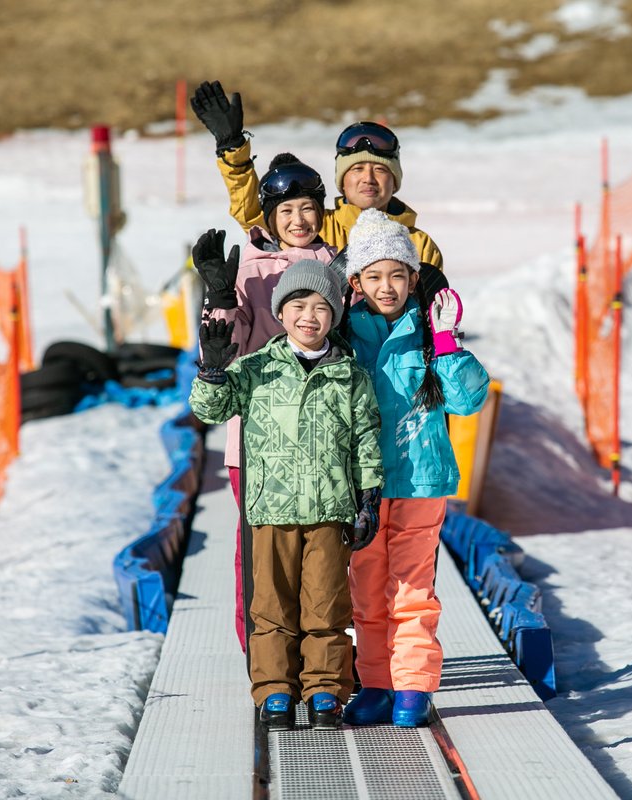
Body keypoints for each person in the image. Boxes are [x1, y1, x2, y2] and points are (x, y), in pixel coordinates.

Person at [189, 259, 384, 730]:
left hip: (329, 510)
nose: (309, 317)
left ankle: (323, 691)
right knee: (271, 606)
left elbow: (366, 438)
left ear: (335, 317)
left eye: (321, 308)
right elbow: (210, 410)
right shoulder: (256, 368)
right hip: (270, 509)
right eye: (298, 306)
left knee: (327, 606)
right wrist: (213, 374)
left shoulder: (350, 376)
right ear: (281, 312)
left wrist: (369, 496)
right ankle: (275, 689)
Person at [336, 209, 489, 727]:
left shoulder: (428, 332)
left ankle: (414, 686)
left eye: (397, 275)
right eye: (375, 275)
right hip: (365, 486)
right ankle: (376, 683)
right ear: (356, 281)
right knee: (367, 590)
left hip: (422, 480)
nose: (387, 286)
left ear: (412, 279)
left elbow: (468, 401)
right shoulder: (344, 337)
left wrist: (447, 345)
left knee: (412, 590)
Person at [194, 153, 337, 652]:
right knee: (260, 557)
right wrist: (219, 295)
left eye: (307, 209)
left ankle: (321, 656)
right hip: (259, 441)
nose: (299, 221)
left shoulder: (340, 265)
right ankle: (264, 656)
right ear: (271, 219)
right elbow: (227, 346)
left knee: (321, 558)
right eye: (286, 212)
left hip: (324, 438)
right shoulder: (251, 270)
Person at [190, 80, 444, 269]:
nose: (368, 178)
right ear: (342, 181)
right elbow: (257, 215)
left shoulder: (419, 245)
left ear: (395, 180)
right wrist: (233, 150)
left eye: (380, 169)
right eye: (357, 169)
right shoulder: (316, 226)